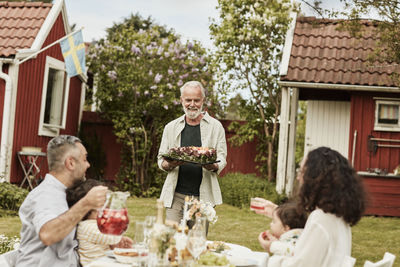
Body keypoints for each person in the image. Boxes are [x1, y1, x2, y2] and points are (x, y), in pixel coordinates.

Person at [257, 146, 367, 267]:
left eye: (302, 172)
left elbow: (300, 265)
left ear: (316, 179)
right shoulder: (338, 217)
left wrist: (268, 260)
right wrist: (276, 213)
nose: (298, 177)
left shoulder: (320, 220)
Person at [16, 135, 108, 267]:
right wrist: (87, 203)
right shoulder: (46, 195)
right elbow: (48, 234)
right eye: (85, 159)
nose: (88, 164)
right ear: (70, 163)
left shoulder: (64, 193)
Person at [157, 80, 227, 224]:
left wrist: (212, 166)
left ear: (203, 101)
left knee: (197, 242)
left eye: (196, 100)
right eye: (188, 100)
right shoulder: (171, 127)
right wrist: (170, 164)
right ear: (181, 100)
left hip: (203, 197)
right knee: (172, 241)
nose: (192, 104)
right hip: (175, 195)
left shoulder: (216, 127)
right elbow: (161, 160)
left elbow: (222, 157)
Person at [66, 179, 133, 266]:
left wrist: (117, 244)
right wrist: (121, 225)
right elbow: (112, 238)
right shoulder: (87, 227)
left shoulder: (95, 224)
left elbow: (110, 242)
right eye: (104, 204)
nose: (107, 208)